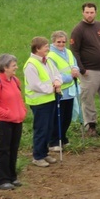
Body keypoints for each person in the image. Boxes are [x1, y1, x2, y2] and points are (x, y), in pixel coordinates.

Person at [70, 2, 100, 136]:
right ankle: (90, 126)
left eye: (92, 12)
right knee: (88, 100)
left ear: (95, 13)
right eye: (87, 12)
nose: (89, 15)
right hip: (89, 72)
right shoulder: (78, 29)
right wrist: (82, 70)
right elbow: (74, 51)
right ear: (83, 13)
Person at [0, 54, 26, 190]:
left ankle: (12, 177)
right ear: (5, 67)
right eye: (14, 65)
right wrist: (8, 114)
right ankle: (2, 180)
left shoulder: (15, 80)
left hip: (17, 121)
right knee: (4, 150)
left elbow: (19, 99)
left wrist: (22, 111)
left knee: (13, 149)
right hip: (3, 123)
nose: (16, 67)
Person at [24, 37, 63, 167]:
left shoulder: (47, 61)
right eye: (45, 46)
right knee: (41, 128)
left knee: (48, 127)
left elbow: (56, 74)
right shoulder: (31, 65)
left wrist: (58, 81)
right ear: (37, 49)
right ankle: (38, 156)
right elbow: (35, 85)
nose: (48, 48)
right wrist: (52, 88)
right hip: (39, 102)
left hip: (50, 99)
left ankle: (44, 152)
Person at [47, 30, 80, 152]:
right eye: (58, 42)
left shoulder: (69, 52)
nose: (61, 44)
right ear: (53, 42)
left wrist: (76, 71)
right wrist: (70, 76)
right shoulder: (51, 56)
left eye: (63, 42)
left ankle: (63, 137)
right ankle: (54, 141)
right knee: (58, 118)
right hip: (60, 90)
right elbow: (54, 74)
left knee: (67, 117)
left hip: (70, 90)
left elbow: (74, 64)